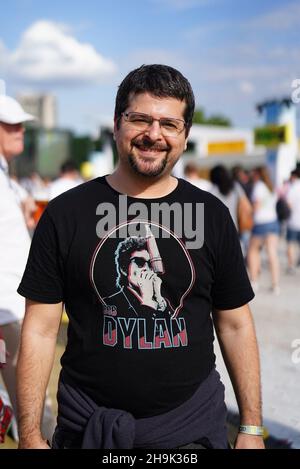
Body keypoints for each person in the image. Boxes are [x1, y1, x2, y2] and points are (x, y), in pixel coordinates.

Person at [17, 64, 264, 449]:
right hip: (89, 428)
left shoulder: (212, 214)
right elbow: (41, 328)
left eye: (169, 124)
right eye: (140, 119)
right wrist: (30, 434)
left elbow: (235, 324)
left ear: (185, 136)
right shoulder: (66, 215)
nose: (154, 134)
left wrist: (250, 428)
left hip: (191, 430)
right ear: (117, 125)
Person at [0, 94, 56, 442]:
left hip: (14, 306)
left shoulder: (9, 178)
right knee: (35, 411)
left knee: (31, 410)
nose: (20, 130)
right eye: (10, 124)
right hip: (7, 310)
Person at [247, 166, 280, 294]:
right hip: (273, 221)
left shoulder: (258, 187)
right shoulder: (271, 187)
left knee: (253, 251)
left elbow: (256, 207)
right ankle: (275, 283)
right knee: (272, 253)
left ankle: (254, 281)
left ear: (258, 174)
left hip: (260, 223)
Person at [286, 169, 300, 273]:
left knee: (291, 244)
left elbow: (289, 204)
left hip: (293, 221)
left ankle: (291, 266)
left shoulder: (293, 188)